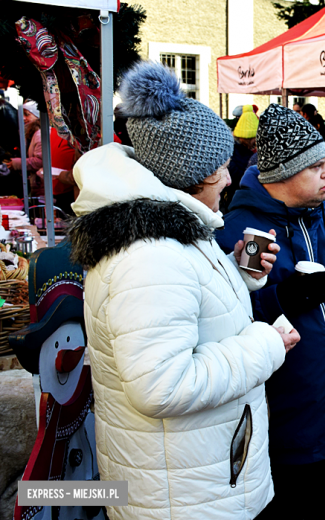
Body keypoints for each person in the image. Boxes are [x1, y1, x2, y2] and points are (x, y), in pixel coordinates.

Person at [66, 61, 297, 520]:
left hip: (193, 478)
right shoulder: (151, 255)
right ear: (191, 178)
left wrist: (234, 272)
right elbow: (163, 385)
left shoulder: (166, 231)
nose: (231, 178)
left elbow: (181, 304)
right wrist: (266, 344)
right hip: (183, 498)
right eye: (221, 169)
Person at [216, 103, 325, 520]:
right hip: (284, 427)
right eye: (316, 166)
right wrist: (282, 300)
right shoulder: (242, 232)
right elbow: (225, 321)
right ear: (282, 175)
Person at [221, 104, 259, 213]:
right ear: (247, 138)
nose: (256, 142)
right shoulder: (232, 153)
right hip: (233, 204)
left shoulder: (245, 151)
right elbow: (237, 179)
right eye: (254, 138)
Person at [3, 100, 42, 192]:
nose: (23, 118)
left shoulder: (40, 134)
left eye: (27, 114)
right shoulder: (29, 133)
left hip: (42, 183)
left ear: (37, 115)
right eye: (22, 114)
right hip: (37, 182)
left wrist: (17, 163)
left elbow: (41, 161)